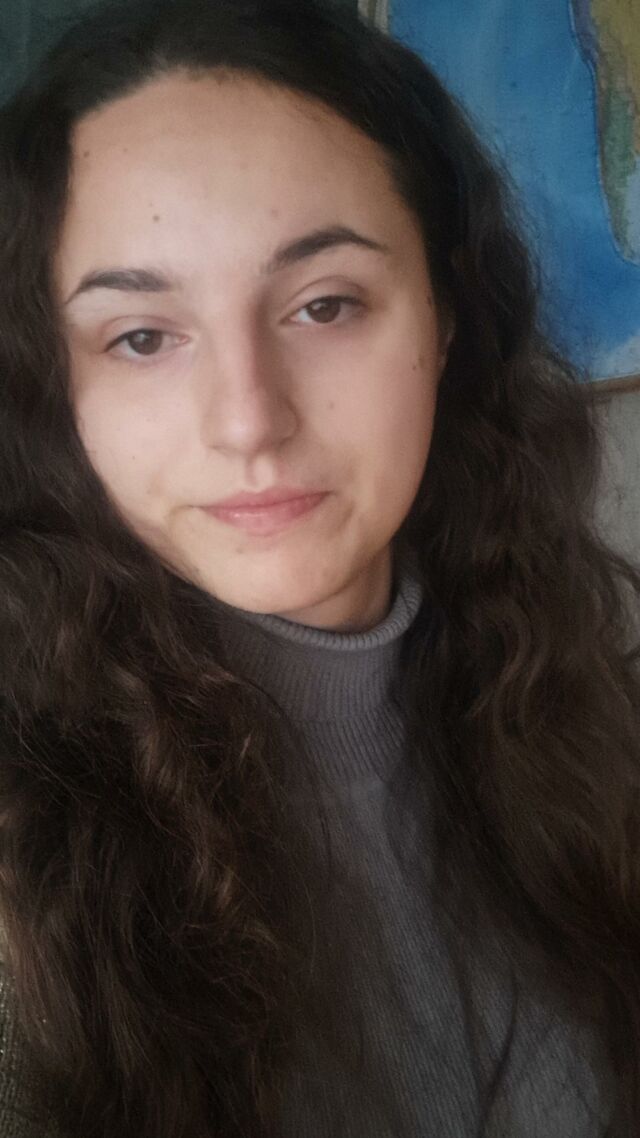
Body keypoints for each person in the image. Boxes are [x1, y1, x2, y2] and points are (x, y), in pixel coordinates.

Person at [0, 0, 638, 1134]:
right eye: (141, 336)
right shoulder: (27, 860)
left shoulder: (578, 703)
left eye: (324, 305)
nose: (249, 420)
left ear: (443, 314)